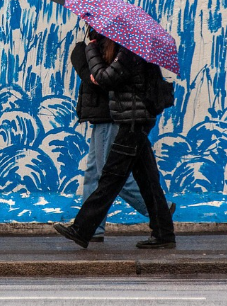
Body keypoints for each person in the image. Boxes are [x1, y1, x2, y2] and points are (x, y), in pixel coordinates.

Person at [54, 37, 176, 249]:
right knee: (147, 179)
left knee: (110, 177)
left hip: (132, 122)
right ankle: (164, 233)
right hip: (134, 120)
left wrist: (89, 50)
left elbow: (105, 78)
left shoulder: (130, 51)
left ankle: (82, 229)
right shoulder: (133, 50)